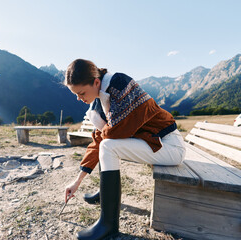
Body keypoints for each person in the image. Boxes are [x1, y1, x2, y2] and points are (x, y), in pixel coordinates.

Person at [64, 59, 186, 240]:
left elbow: (118, 130)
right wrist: (77, 181)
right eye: (75, 94)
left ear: (96, 82)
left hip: (168, 146)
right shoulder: (100, 99)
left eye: (81, 93)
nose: (79, 98)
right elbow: (99, 138)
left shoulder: (121, 85)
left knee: (108, 146)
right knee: (106, 144)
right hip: (153, 144)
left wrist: (100, 127)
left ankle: (108, 225)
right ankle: (106, 194)